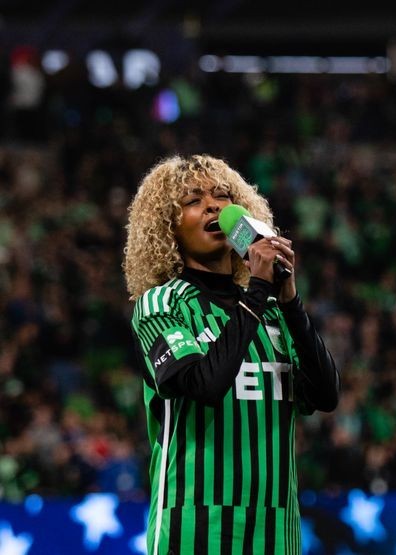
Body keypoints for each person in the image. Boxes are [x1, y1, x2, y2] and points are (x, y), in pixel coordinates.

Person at [123, 155, 340, 554]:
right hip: (193, 530)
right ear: (167, 227)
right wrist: (258, 291)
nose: (213, 205)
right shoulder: (160, 306)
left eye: (222, 196)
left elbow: (326, 396)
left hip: (277, 533)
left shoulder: (272, 311)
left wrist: (289, 301)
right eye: (192, 200)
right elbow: (203, 386)